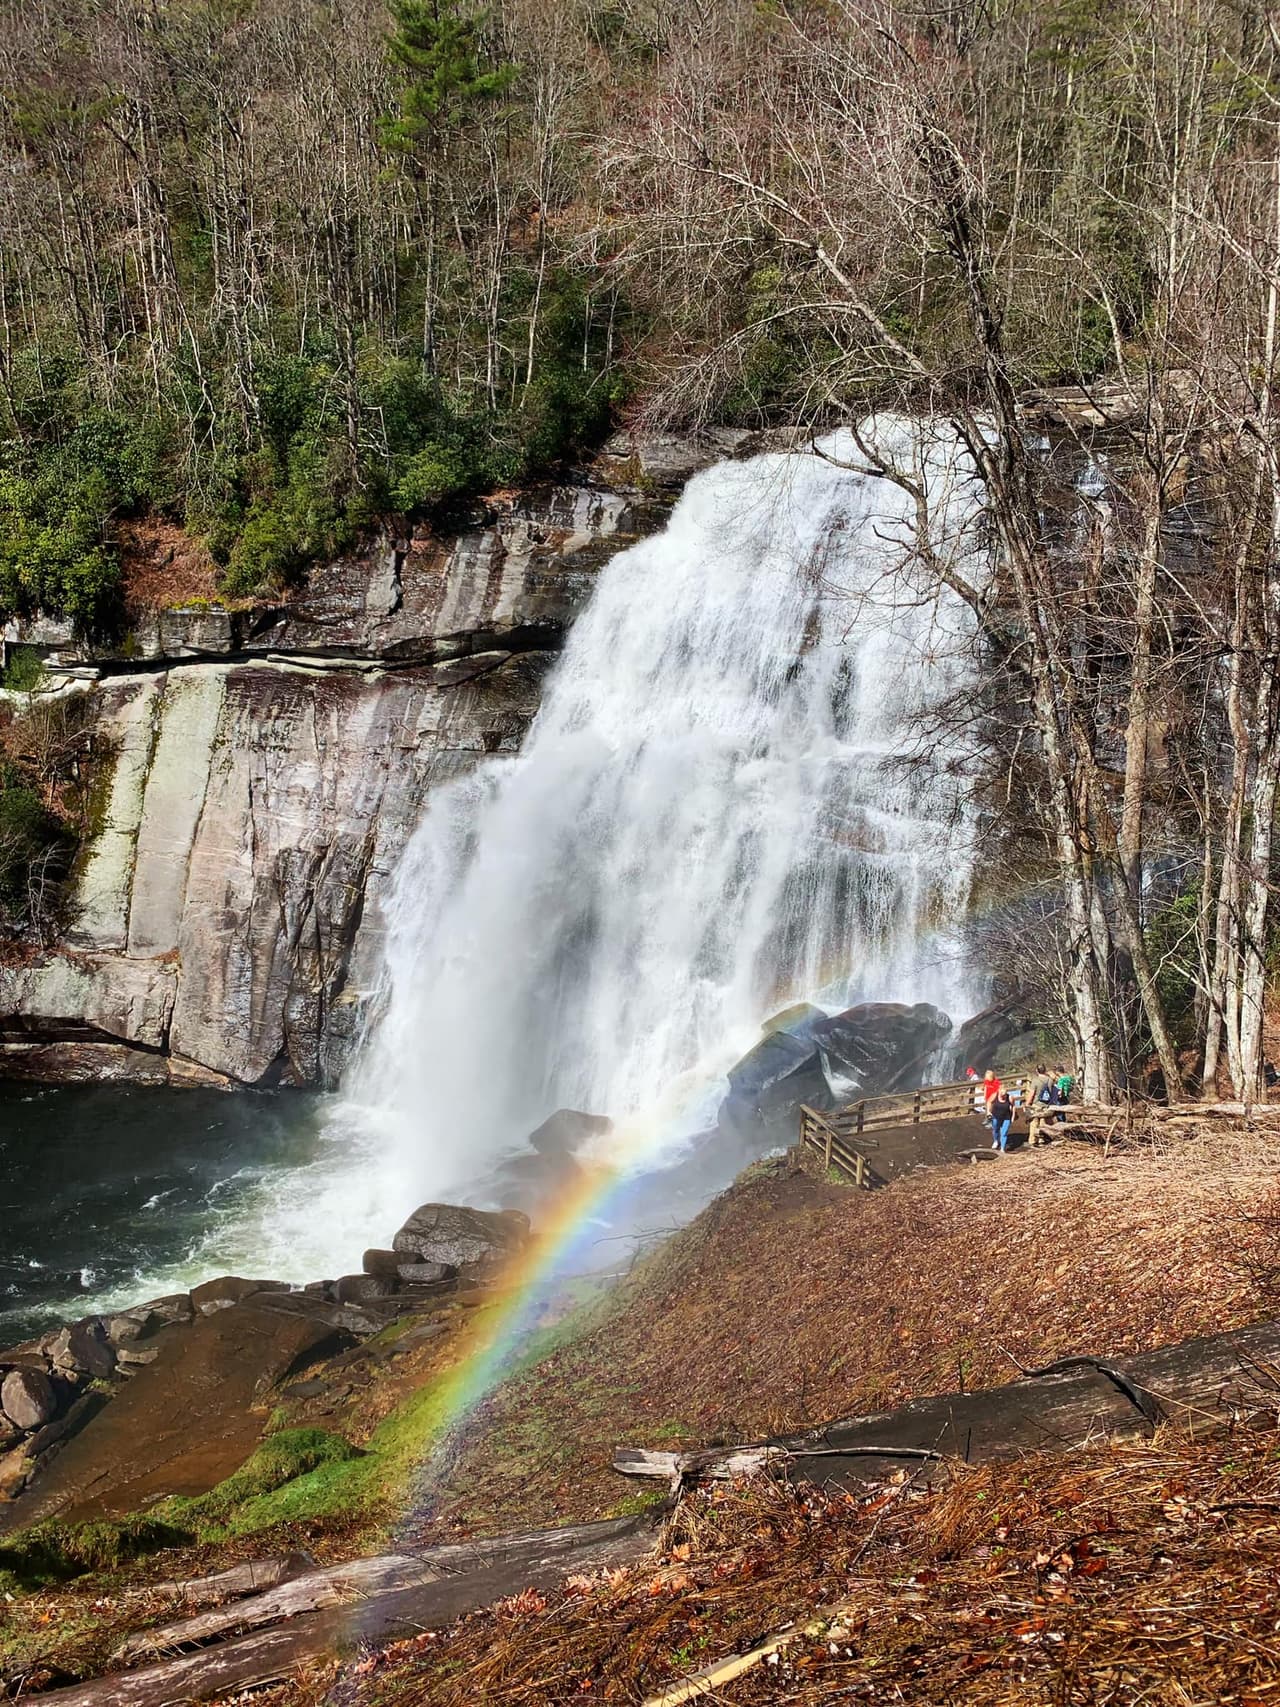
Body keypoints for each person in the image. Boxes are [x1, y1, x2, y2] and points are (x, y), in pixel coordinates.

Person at [1025, 1063, 1055, 1147]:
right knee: (1043, 1122)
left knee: (1034, 1122)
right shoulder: (1050, 1080)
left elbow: (1032, 1093)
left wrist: (1027, 1103)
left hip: (1036, 1104)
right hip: (1046, 1104)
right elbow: (1053, 1092)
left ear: (1037, 1070)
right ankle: (1042, 1139)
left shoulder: (1035, 1080)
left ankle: (1033, 1140)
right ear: (1045, 1070)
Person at [989, 1087, 1014, 1153]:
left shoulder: (1010, 1097)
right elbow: (989, 1102)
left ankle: (1002, 1148)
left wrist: (1013, 1116)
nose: (1003, 1097)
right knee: (996, 1129)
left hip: (1006, 1117)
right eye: (1001, 1095)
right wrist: (989, 1112)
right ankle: (996, 1141)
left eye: (1004, 1095)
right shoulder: (995, 1096)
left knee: (1004, 1133)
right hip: (996, 1116)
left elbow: (1013, 1106)